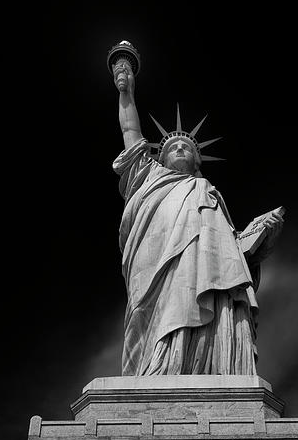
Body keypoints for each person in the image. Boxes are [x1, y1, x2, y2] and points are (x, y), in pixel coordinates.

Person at [113, 57, 283, 376]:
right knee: (151, 316)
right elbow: (129, 130)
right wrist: (126, 91)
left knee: (200, 297)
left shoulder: (206, 191)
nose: (180, 150)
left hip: (200, 270)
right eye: (173, 147)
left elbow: (227, 257)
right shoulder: (147, 177)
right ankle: (155, 368)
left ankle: (198, 367)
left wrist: (259, 235)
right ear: (159, 158)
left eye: (187, 148)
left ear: (197, 161)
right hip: (153, 267)